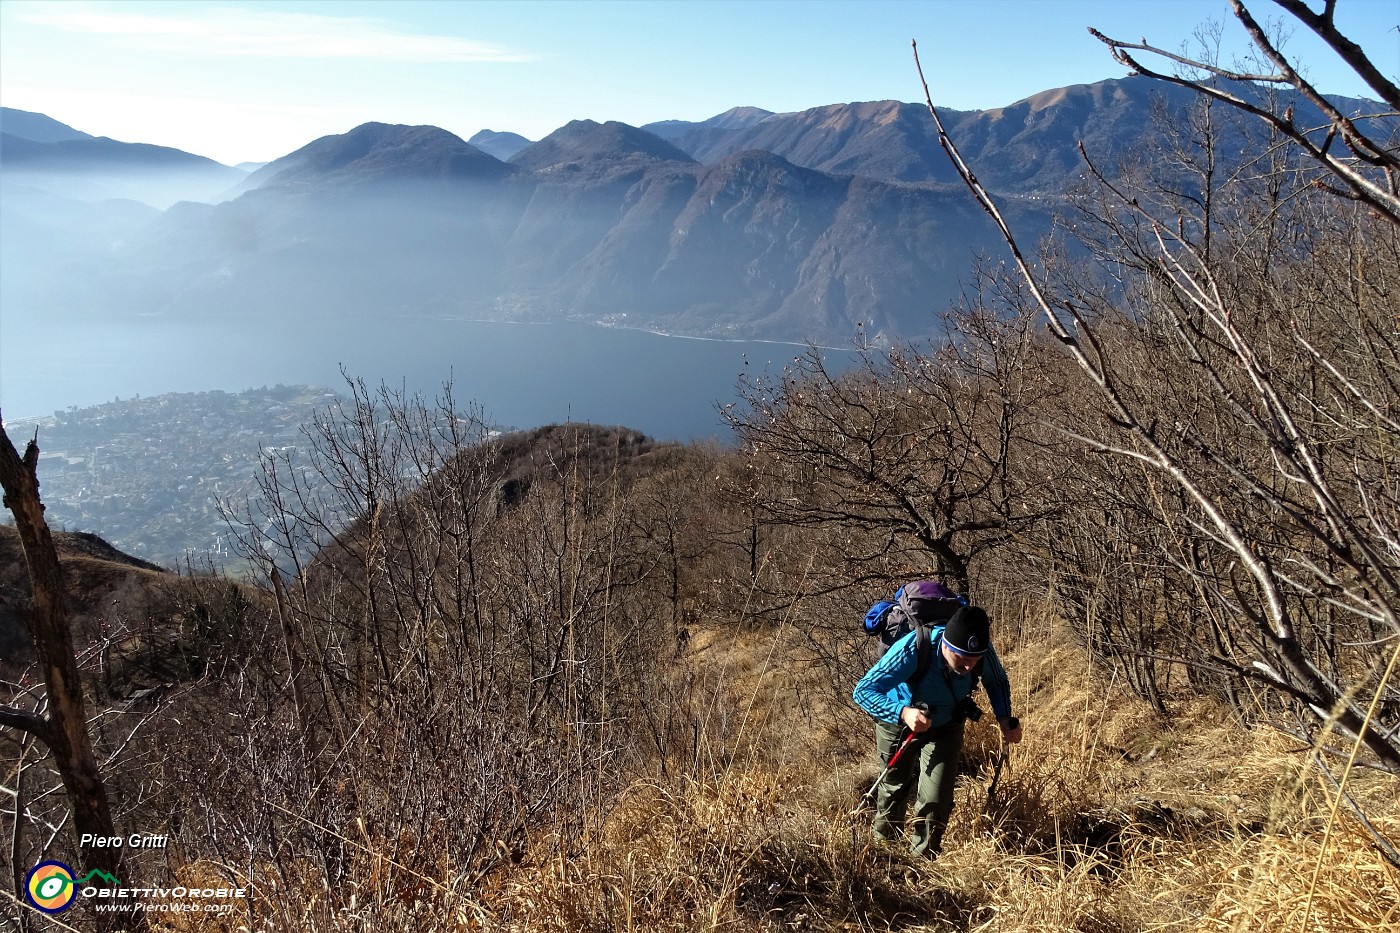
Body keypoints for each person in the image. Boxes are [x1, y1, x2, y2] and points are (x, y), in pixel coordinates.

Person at [852, 603, 1023, 857]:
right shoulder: (915, 647)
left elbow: (997, 682)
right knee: (894, 787)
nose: (968, 667)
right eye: (962, 660)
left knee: (937, 798)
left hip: (946, 724)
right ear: (946, 645)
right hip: (898, 722)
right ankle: (885, 853)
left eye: (973, 660)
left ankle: (922, 862)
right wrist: (903, 712)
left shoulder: (981, 654)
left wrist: (1005, 718)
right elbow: (863, 691)